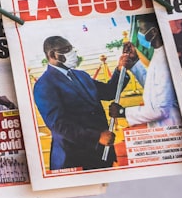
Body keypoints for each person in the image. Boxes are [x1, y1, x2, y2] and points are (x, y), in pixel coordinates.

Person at [33, 35, 129, 171]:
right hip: (74, 158)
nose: (71, 53)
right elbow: (58, 125)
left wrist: (120, 70)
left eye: (71, 49)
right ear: (52, 55)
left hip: (102, 153)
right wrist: (96, 137)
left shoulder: (81, 75)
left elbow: (109, 92)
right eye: (66, 50)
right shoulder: (44, 85)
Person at [108, 16, 182, 128]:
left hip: (170, 126)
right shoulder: (159, 53)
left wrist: (123, 112)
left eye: (141, 29)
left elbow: (161, 110)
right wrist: (135, 63)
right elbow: (153, 86)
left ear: (153, 32)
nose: (139, 34)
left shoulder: (165, 60)